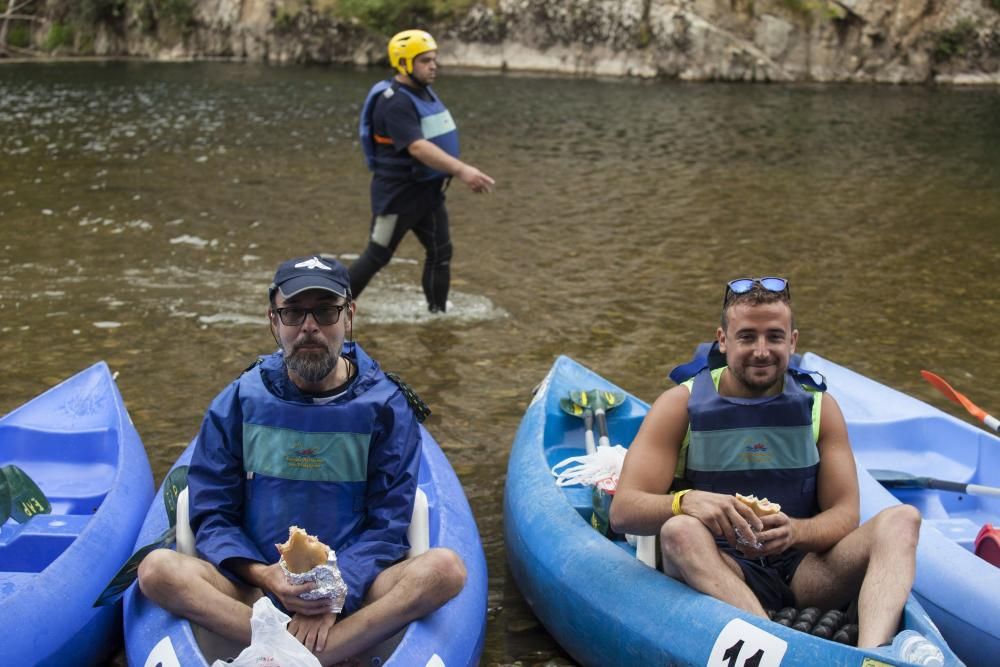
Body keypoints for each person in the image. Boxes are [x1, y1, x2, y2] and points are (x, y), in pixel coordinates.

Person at [137, 255, 466, 664]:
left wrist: (333, 594)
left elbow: (388, 524)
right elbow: (213, 514)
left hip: (353, 591)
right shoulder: (238, 401)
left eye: (325, 311)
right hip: (255, 589)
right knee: (158, 572)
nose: (309, 326)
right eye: (293, 312)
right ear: (274, 321)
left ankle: (293, 654)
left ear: (348, 317)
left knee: (444, 570)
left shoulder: (386, 407)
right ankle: (300, 649)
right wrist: (266, 575)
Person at [609, 277, 921, 649]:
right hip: (723, 568)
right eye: (746, 337)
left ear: (792, 342)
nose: (761, 350)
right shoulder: (679, 406)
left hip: (804, 570)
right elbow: (623, 511)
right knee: (680, 530)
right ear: (723, 341)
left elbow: (845, 515)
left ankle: (873, 656)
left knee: (903, 519)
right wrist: (685, 501)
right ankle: (774, 645)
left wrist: (796, 532)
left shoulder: (821, 408)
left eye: (774, 337)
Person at [351, 29, 495, 313]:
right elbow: (417, 147)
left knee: (441, 253)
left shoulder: (423, 93)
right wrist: (462, 170)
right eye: (425, 60)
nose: (433, 66)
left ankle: (437, 316)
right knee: (377, 255)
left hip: (428, 192)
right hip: (398, 195)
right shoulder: (395, 101)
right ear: (404, 63)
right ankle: (325, 309)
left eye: (434, 59)